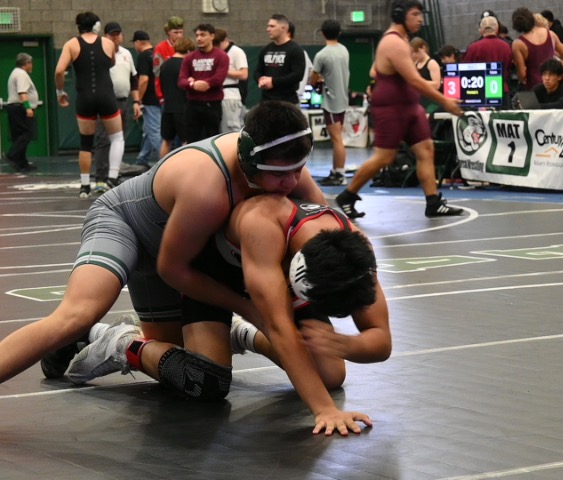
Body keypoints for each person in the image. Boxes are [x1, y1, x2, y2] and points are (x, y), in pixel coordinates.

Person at [0, 101, 329, 413]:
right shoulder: (208, 187)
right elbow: (173, 270)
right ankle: (106, 337)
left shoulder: (282, 160)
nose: (291, 182)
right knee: (78, 313)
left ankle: (102, 336)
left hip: (178, 248)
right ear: (249, 164)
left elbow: (327, 226)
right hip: (125, 224)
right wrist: (245, 307)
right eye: (280, 175)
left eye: (298, 169)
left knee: (192, 370)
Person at [65, 195, 389, 436]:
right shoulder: (263, 225)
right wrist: (325, 410)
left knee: (329, 375)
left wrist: (343, 344)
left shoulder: (355, 258)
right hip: (216, 274)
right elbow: (281, 331)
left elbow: (381, 341)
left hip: (275, 275)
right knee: (204, 382)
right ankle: (123, 343)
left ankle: (238, 333)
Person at [335, 0, 464, 219]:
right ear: (399, 15)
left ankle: (433, 202)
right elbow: (414, 80)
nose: (420, 19)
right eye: (414, 14)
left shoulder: (403, 41)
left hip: (409, 106)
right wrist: (445, 101)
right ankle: (347, 195)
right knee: (384, 157)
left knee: (426, 150)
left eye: (420, 14)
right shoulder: (393, 42)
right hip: (392, 109)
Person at [55, 11, 125, 198]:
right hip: (106, 95)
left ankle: (85, 186)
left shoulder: (71, 44)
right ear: (97, 26)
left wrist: (60, 92)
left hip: (85, 97)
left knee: (85, 143)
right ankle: (112, 178)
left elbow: (59, 71)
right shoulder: (108, 43)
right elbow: (111, 62)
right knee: (117, 138)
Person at [93, 22, 142, 194]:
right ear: (105, 36)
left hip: (123, 101)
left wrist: (136, 102)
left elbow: (134, 79)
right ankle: (101, 177)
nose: (115, 38)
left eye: (118, 34)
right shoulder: (99, 53)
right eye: (112, 35)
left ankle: (114, 174)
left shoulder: (126, 54)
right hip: (106, 101)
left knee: (119, 140)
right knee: (103, 139)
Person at [310, 19, 350, 186]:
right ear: (339, 33)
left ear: (323, 33)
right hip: (343, 98)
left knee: (337, 139)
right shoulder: (344, 50)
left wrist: (319, 80)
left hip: (332, 101)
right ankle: (335, 171)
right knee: (337, 139)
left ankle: (340, 174)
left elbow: (313, 80)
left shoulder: (322, 55)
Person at [177, 23, 229, 143]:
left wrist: (204, 83)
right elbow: (181, 80)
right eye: (197, 35)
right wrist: (193, 85)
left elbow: (219, 78)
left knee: (213, 139)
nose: (199, 38)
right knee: (192, 140)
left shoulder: (221, 56)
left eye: (203, 35)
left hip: (212, 104)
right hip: (193, 105)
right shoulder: (189, 58)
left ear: (212, 36)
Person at [511, 7, 563, 90]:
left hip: (534, 86)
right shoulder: (550, 34)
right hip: (554, 84)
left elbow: (522, 75)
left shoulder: (518, 44)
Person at [463, 16, 514, 108]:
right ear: (497, 29)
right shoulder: (506, 46)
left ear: (481, 30)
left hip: (480, 93)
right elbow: (509, 66)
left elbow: (466, 70)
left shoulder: (473, 48)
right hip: (502, 90)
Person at [254, 14, 306, 104]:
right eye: (268, 26)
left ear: (283, 28)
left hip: (287, 101)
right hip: (266, 101)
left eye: (272, 26)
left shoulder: (295, 49)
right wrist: (261, 80)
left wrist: (273, 82)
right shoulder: (265, 49)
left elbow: (298, 75)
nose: (268, 29)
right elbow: (257, 71)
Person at [158, 36, 195, 158]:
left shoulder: (164, 65)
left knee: (166, 141)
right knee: (186, 142)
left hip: (168, 107)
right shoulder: (186, 65)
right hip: (182, 108)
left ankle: (161, 167)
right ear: (189, 50)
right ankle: (187, 166)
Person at [4, 53, 39, 174]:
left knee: (19, 135)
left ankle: (22, 163)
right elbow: (22, 92)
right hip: (20, 108)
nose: (31, 65)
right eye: (30, 63)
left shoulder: (15, 72)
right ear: (26, 63)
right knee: (27, 133)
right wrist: (28, 108)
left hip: (15, 108)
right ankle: (11, 155)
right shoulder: (21, 74)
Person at [132, 30, 162, 170]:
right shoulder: (156, 54)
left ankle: (167, 159)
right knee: (148, 130)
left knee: (154, 131)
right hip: (160, 97)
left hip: (150, 99)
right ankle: (142, 158)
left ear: (138, 42)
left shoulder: (143, 56)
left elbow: (143, 80)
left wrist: (138, 99)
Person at [215, 28, 249, 133]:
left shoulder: (236, 52)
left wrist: (223, 71)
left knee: (231, 129)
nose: (216, 47)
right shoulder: (215, 53)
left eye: (218, 44)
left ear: (225, 40)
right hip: (216, 95)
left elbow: (244, 74)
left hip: (230, 95)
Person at [153, 16, 185, 104]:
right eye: (175, 32)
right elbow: (157, 73)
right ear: (168, 32)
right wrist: (160, 95)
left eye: (181, 32)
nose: (179, 35)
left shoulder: (186, 47)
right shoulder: (160, 48)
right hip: (168, 93)